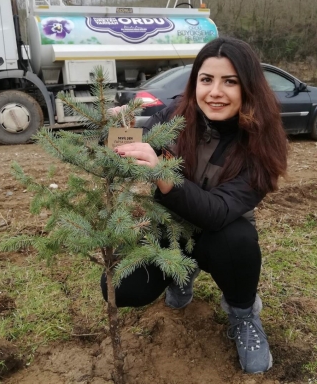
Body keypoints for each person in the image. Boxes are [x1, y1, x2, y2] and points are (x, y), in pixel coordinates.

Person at [102, 37, 288, 373]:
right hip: (169, 228)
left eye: (229, 81)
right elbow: (128, 153)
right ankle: (181, 271)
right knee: (118, 286)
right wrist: (119, 130)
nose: (215, 92)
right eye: (207, 80)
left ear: (249, 87)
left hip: (220, 234)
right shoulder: (175, 115)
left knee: (238, 240)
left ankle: (244, 315)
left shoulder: (262, 144)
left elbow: (217, 212)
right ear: (195, 83)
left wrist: (162, 174)